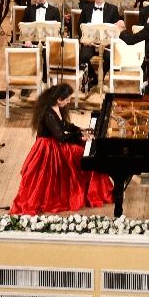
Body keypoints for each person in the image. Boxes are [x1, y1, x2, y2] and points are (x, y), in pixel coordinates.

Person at [10, 84, 114, 215]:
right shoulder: (49, 114)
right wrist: (80, 137)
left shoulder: (56, 107)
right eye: (67, 99)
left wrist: (79, 130)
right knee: (82, 153)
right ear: (59, 99)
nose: (69, 102)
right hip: (49, 148)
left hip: (55, 143)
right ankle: (89, 193)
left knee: (87, 150)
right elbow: (61, 137)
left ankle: (95, 191)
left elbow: (64, 125)